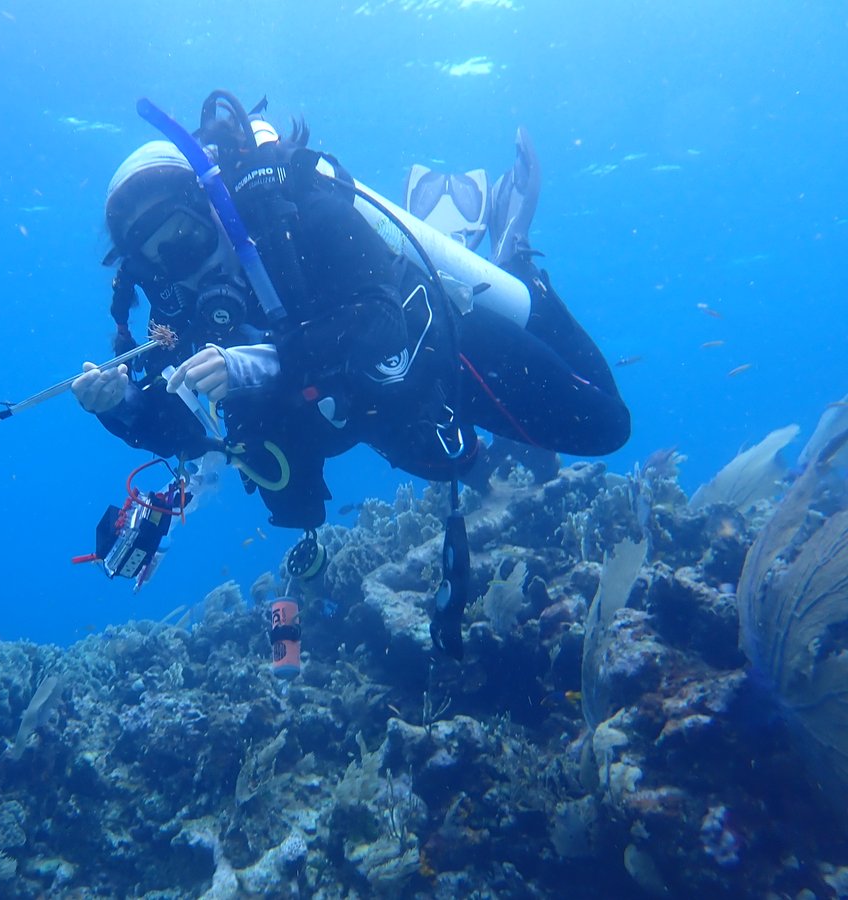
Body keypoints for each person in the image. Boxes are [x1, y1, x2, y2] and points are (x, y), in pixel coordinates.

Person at [73, 91, 630, 653]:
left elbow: (381, 318)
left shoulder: (298, 214)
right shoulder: (180, 315)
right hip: (366, 415)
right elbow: (190, 433)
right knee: (449, 464)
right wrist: (121, 404)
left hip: (435, 346)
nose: (183, 265)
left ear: (210, 209)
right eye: (158, 258)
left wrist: (261, 363)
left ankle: (514, 268)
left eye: (186, 236)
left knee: (605, 426)